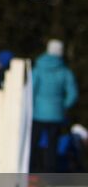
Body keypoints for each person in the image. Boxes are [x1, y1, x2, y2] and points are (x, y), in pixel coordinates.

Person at [30, 39, 79, 173]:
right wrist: (62, 106)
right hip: (56, 114)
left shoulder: (38, 68)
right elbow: (73, 93)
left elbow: (31, 89)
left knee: (34, 143)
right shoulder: (64, 71)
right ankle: (49, 172)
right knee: (52, 145)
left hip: (38, 113)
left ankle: (32, 169)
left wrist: (33, 106)